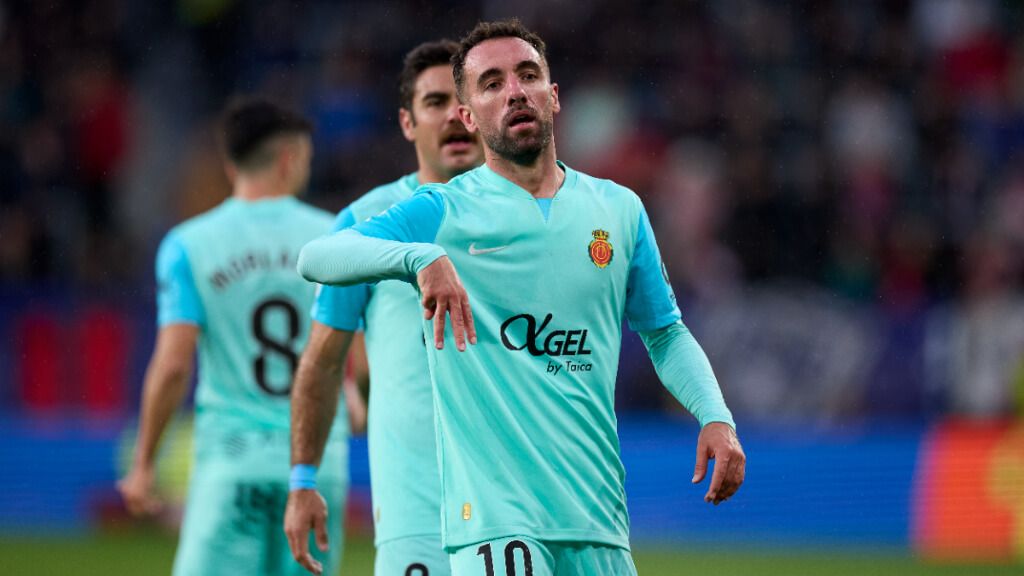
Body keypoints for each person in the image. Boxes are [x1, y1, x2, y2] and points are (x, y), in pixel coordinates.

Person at [298, 19, 746, 576]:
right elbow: (317, 257)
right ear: (468, 116)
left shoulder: (619, 209)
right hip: (496, 526)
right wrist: (419, 257)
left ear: (553, 97)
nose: (514, 91)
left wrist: (714, 415)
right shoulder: (445, 211)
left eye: (528, 75)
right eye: (491, 83)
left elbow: (664, 331)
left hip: (596, 516)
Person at [118, 97, 349, 576]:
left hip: (232, 461)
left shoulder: (188, 244)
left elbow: (174, 363)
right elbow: (358, 360)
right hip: (315, 467)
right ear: (289, 159)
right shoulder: (335, 239)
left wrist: (144, 462)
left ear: (229, 163)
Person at [284, 40, 484, 576]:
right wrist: (303, 480)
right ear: (407, 122)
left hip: (518, 507)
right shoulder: (367, 222)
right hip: (414, 511)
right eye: (435, 102)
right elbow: (323, 361)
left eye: (464, 102)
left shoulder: (532, 217)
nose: (454, 117)